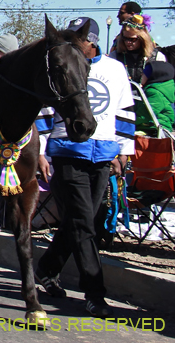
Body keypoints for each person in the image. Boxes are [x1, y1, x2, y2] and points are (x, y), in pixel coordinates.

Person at [34, 17, 135, 318]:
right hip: (67, 150)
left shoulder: (115, 69)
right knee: (83, 223)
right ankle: (95, 294)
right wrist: (40, 151)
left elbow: (124, 108)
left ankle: (47, 269)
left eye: (82, 39)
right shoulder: (61, 61)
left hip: (103, 152)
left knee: (81, 221)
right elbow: (45, 109)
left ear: (92, 41)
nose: (77, 44)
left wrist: (124, 151)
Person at [108, 15, 164, 83]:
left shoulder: (157, 57)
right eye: (125, 38)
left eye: (132, 39)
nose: (128, 42)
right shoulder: (114, 57)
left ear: (142, 39)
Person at [136, 61, 175, 133]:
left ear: (153, 76)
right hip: (150, 125)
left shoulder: (155, 93)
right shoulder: (158, 89)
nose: (141, 74)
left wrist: (130, 120)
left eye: (145, 73)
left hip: (155, 127)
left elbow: (146, 113)